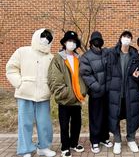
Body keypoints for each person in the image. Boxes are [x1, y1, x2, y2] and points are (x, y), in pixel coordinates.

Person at [6, 29, 56, 157]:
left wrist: (50, 89)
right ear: (36, 36)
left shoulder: (50, 57)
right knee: (25, 122)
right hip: (25, 94)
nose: (45, 39)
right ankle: (25, 149)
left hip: (43, 95)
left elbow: (53, 76)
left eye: (48, 37)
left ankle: (43, 147)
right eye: (43, 36)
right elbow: (11, 68)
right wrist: (19, 83)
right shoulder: (22, 51)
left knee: (44, 123)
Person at [48, 31, 87, 157]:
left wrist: (82, 91)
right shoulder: (58, 58)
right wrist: (64, 92)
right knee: (64, 125)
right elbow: (54, 78)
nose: (72, 43)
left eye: (74, 42)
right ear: (64, 43)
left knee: (77, 123)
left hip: (77, 97)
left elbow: (83, 77)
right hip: (65, 99)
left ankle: (74, 143)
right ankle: (65, 147)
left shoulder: (78, 58)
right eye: (69, 41)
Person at [106, 30, 139, 154]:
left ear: (131, 40)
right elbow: (107, 73)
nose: (126, 39)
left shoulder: (135, 55)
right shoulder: (112, 53)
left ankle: (131, 139)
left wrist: (137, 76)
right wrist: (109, 88)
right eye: (124, 36)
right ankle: (117, 140)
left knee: (131, 116)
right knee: (114, 116)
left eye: (129, 37)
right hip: (115, 92)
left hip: (130, 92)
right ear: (120, 38)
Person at [80, 31, 113, 153]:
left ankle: (105, 138)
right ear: (91, 43)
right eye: (95, 40)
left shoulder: (106, 53)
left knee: (105, 116)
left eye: (99, 39)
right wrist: (97, 87)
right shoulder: (86, 57)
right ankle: (95, 141)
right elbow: (85, 74)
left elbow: (116, 50)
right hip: (96, 93)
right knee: (95, 118)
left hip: (107, 92)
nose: (97, 42)